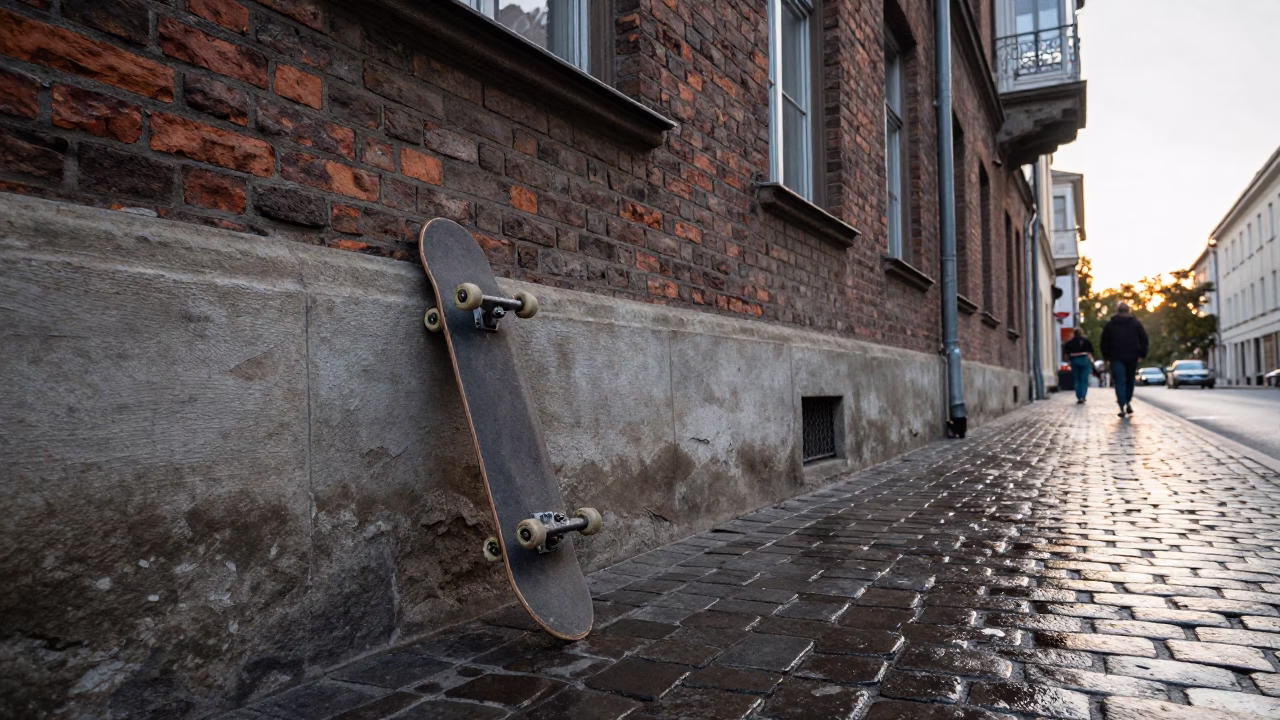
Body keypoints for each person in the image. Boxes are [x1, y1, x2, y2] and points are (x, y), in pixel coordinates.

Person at [1100, 301, 1149, 418]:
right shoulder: (1136, 323)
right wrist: (1142, 354)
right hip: (1132, 356)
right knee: (1129, 381)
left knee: (1119, 382)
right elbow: (1144, 339)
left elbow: (1104, 342)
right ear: (1129, 310)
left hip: (1116, 357)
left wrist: (1106, 356)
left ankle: (1122, 405)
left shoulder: (1111, 324)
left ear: (1118, 311)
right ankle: (1127, 401)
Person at [1063, 328, 1095, 403]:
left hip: (1074, 361)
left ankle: (1079, 396)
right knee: (1084, 380)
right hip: (1084, 360)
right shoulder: (1086, 341)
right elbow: (1090, 352)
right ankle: (1083, 395)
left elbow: (1067, 353)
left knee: (1076, 379)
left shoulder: (1070, 342)